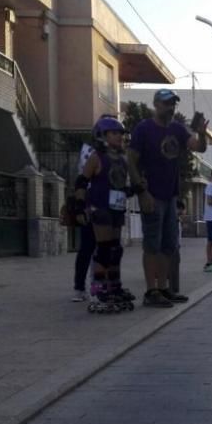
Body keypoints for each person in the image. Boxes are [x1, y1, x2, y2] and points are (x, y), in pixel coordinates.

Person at [127, 89, 207, 307]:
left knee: (168, 245)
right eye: (166, 103)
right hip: (151, 195)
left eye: (173, 103)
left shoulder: (177, 129)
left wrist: (201, 133)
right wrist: (142, 192)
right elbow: (131, 160)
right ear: (156, 104)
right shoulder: (144, 129)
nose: (170, 107)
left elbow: (199, 147)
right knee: (152, 245)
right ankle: (151, 291)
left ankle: (163, 288)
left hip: (170, 196)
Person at [72, 116, 135, 313]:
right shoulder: (96, 157)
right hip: (100, 209)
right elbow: (82, 182)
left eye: (120, 134)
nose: (119, 137)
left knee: (116, 250)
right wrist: (81, 207)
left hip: (117, 209)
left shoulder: (123, 160)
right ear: (103, 136)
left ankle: (114, 286)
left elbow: (119, 185)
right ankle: (98, 290)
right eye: (114, 133)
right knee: (104, 250)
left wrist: (134, 189)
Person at [72, 116, 111, 302]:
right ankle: (81, 288)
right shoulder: (91, 153)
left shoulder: (113, 155)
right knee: (88, 249)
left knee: (103, 251)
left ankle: (99, 287)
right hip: (91, 207)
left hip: (108, 208)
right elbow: (83, 180)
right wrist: (80, 207)